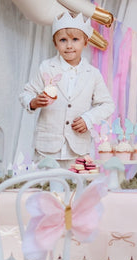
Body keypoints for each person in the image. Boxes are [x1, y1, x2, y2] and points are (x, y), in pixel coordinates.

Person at [20, 12, 116, 168]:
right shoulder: (46, 67)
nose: (69, 46)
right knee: (45, 187)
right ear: (55, 43)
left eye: (75, 40)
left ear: (85, 42)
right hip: (47, 148)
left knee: (75, 187)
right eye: (63, 40)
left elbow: (107, 104)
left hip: (78, 150)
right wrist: (33, 102)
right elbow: (26, 93)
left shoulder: (92, 74)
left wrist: (88, 119)